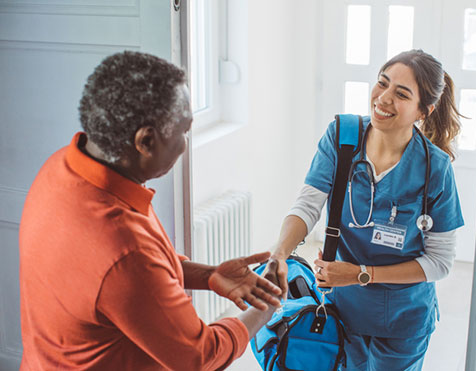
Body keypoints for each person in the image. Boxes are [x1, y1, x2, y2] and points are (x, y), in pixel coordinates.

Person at [19, 51, 281, 370]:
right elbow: (199, 356)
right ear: (145, 141)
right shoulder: (124, 251)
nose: (185, 143)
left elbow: (127, 281)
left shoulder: (60, 167)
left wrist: (210, 275)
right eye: (184, 130)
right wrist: (266, 307)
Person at [265, 49, 464, 370]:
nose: (383, 98)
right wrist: (280, 252)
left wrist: (361, 275)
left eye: (401, 94)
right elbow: (307, 205)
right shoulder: (342, 138)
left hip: (404, 320)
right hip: (343, 311)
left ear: (422, 111)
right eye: (382, 83)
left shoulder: (435, 168)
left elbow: (440, 262)